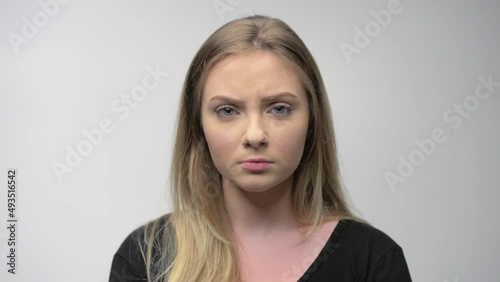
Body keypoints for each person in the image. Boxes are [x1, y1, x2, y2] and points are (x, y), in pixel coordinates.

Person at [109, 14, 412, 282]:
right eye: (227, 111)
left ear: (312, 120)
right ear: (198, 125)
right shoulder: (144, 259)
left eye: (279, 109)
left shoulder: (373, 260)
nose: (255, 135)